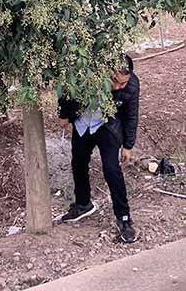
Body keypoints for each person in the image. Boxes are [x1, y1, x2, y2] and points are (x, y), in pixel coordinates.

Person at [58, 55, 140, 243]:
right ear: (106, 73)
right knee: (78, 163)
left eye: (123, 84)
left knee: (112, 170)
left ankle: (124, 218)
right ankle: (83, 204)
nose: (119, 87)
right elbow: (66, 91)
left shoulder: (132, 85)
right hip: (82, 123)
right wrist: (63, 115)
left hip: (107, 126)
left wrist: (128, 145)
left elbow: (131, 115)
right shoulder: (85, 74)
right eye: (116, 82)